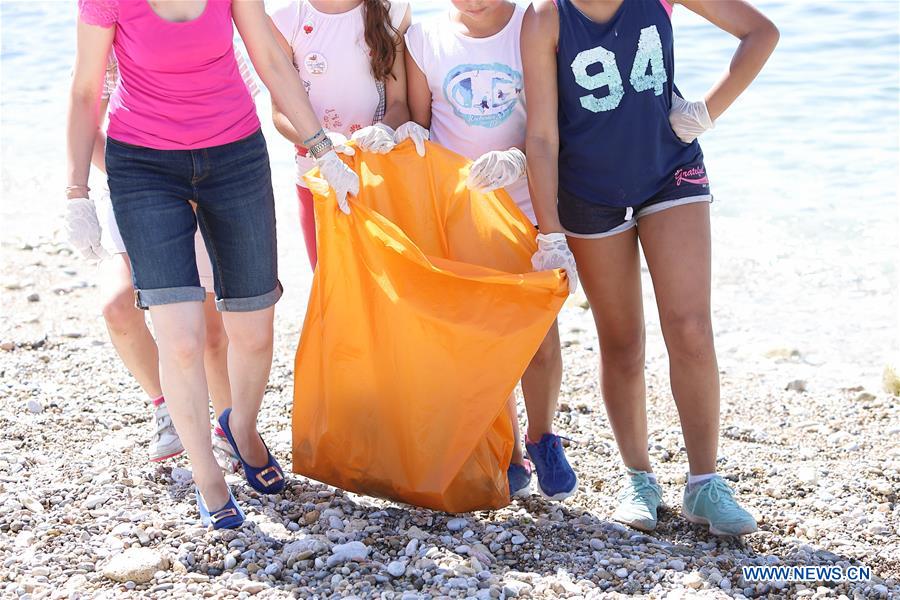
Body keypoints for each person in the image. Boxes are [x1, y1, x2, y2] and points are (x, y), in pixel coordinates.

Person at [67, 0, 359, 529]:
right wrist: (76, 194)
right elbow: (87, 90)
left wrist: (322, 149)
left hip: (234, 157)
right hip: (143, 168)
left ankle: (240, 428)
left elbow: (270, 58)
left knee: (254, 331)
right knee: (180, 340)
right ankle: (209, 479)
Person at [522, 0, 778, 534]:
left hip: (671, 171)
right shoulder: (545, 17)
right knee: (621, 342)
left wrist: (706, 110)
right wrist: (550, 232)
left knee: (690, 327)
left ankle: (705, 484)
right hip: (588, 193)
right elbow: (542, 136)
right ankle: (638, 478)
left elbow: (760, 33)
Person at [405, 0, 579, 500]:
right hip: (463, 215)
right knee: (485, 339)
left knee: (539, 338)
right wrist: (405, 132)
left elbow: (558, 121)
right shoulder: (424, 41)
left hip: (530, 205)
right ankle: (509, 449)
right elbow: (419, 126)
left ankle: (543, 436)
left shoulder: (536, 25)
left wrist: (518, 160)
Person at [91, 52, 254, 472]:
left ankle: (229, 426)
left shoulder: (207, 32)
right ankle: (167, 405)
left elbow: (242, 116)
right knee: (117, 305)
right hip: (135, 189)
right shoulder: (107, 43)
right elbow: (86, 125)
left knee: (211, 333)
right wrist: (144, 180)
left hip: (207, 186)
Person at [268, 0, 412, 268]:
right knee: (330, 281)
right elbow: (280, 114)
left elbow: (400, 104)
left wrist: (384, 130)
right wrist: (321, 143)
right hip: (317, 178)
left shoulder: (392, 8)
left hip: (380, 176)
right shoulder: (285, 17)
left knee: (388, 281)